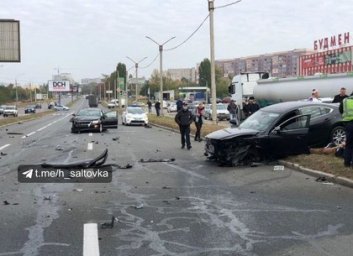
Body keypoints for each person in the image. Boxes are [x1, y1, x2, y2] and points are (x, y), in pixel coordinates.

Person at [339, 96, 353, 167]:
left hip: (348, 124)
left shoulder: (345, 100)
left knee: (349, 143)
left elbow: (341, 110)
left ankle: (346, 163)